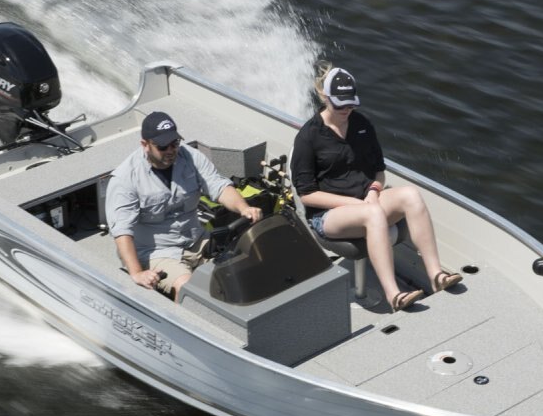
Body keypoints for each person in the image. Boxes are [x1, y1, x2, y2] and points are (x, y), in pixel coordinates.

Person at [290, 65, 462, 312]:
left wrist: (373, 191)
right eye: (340, 105)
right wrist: (358, 204)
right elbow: (307, 195)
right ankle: (394, 295)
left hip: (367, 202)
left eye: (350, 104)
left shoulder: (362, 125)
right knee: (373, 213)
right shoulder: (308, 136)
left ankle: (436, 275)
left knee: (411, 195)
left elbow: (379, 171)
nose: (346, 110)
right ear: (325, 97)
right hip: (328, 216)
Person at [106, 111, 262, 299]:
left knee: (245, 266)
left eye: (175, 143)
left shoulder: (191, 157)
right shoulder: (125, 178)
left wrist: (244, 208)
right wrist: (137, 273)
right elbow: (122, 231)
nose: (171, 150)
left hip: (196, 239)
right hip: (157, 252)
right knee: (190, 291)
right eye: (162, 146)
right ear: (145, 145)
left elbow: (218, 186)